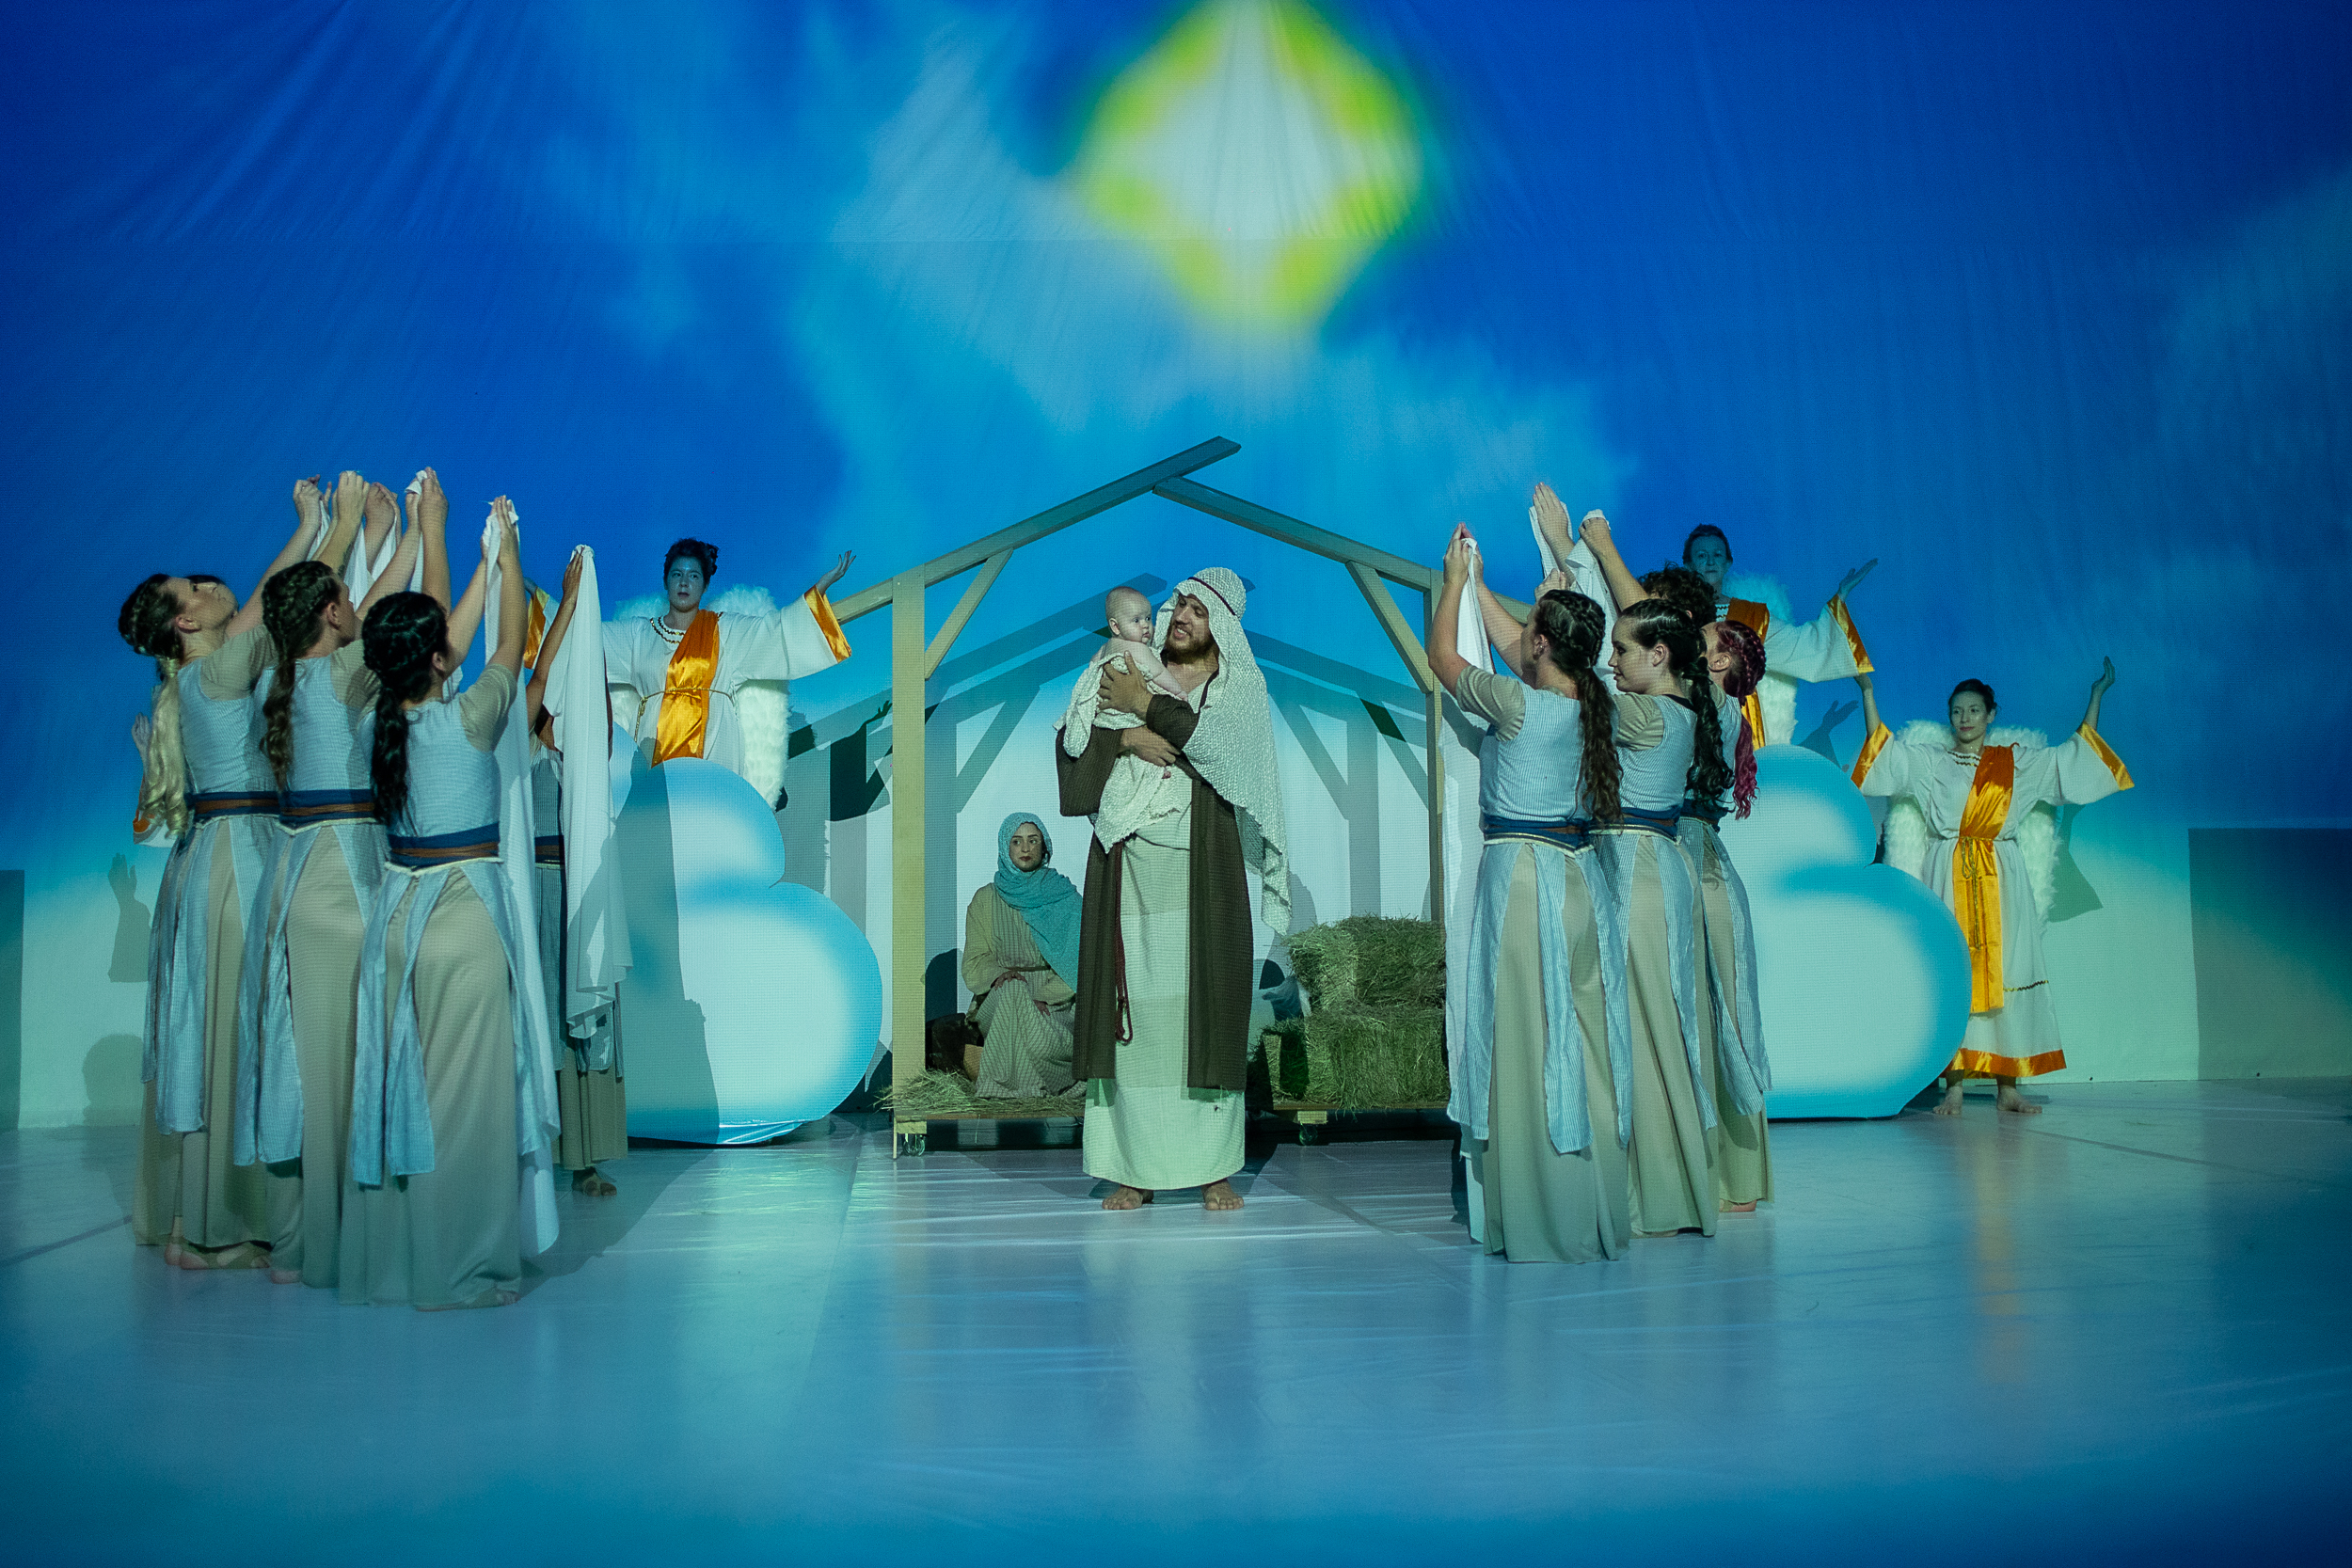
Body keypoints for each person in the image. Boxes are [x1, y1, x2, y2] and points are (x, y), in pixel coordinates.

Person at [114, 474, 361, 1268]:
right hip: (237, 859)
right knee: (242, 1030)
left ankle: (203, 1215)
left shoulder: (204, 671)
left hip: (214, 858)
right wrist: (337, 527)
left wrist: (312, 525)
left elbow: (259, 602)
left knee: (222, 1029)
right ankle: (222, 1223)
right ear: (185, 621)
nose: (209, 583)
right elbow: (281, 604)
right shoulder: (216, 672)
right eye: (193, 587)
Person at [238, 470, 446, 1288]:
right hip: (348, 880)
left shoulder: (273, 676)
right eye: (344, 597)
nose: (357, 600)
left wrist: (364, 531)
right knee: (360, 1058)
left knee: (306, 1062)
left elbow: (333, 606)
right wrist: (422, 531)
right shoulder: (347, 673)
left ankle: (301, 1231)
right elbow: (414, 619)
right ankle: (357, 1233)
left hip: (294, 882)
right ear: (330, 612)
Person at [341, 500, 544, 1309]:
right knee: (468, 1105)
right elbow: (510, 641)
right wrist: (509, 556)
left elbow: (446, 642)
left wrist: (461, 546)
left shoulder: (370, 721)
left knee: (410, 1095)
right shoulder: (471, 718)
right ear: (434, 659)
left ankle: (405, 1255)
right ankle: (464, 1267)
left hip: (398, 921)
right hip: (463, 924)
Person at [1561, 510, 1775, 1212]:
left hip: (1693, 870)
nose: (1696, 645)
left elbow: (1642, 630)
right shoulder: (1685, 698)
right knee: (1682, 1018)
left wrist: (1600, 547)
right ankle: (1696, 1173)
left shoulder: (1705, 701)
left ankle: (1712, 1175)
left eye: (1705, 642)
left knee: (1703, 1020)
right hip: (1678, 860)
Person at [1057, 569, 1287, 1212]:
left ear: (1224, 629)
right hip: (1130, 871)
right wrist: (1126, 735)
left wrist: (1145, 706)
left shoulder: (1236, 692)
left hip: (1201, 873)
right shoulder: (1130, 665)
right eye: (1179, 604)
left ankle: (1213, 1167)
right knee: (1137, 1021)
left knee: (1202, 1015)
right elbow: (1075, 734)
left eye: (1198, 610)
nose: (1180, 615)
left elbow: (1216, 749)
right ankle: (1133, 1168)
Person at [1430, 527, 1631, 1263]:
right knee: (1575, 1037)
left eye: (1532, 627)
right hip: (1580, 879)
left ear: (1541, 645)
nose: (1522, 634)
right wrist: (1484, 582)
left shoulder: (1518, 706)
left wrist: (1455, 581)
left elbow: (1444, 659)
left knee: (1522, 1036)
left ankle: (1538, 1206)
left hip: (1522, 879)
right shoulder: (1599, 707)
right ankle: (1585, 1199)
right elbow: (1516, 644)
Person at [1851, 661, 2130, 1115]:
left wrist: (2096, 695)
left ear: (1991, 715)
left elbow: (2073, 758)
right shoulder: (1932, 761)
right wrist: (1867, 691)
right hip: (1950, 871)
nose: (1965, 718)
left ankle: (2008, 1087)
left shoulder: (2016, 762)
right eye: (1957, 711)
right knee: (1956, 971)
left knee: (2007, 969)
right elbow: (1886, 757)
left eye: (1974, 710)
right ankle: (1954, 1086)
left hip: (2002, 876)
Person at [1595, 598, 1724, 1237]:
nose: (1612, 661)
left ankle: (1660, 1191)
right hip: (1646, 867)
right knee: (1650, 1027)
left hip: (1640, 871)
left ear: (1660, 654)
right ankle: (1664, 1184)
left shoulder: (1648, 714)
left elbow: (1565, 698)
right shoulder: (1677, 708)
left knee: (1643, 1030)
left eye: (1622, 650)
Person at [525, 551, 626, 1195]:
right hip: (539, 892)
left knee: (586, 1017)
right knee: (547, 1017)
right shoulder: (522, 742)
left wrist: (586, 625)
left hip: (579, 892)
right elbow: (536, 682)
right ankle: (541, 1151)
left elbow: (596, 713)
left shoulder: (580, 759)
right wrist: (565, 607)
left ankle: (585, 1155)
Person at [602, 537, 854, 789]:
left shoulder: (725, 630)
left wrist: (818, 591)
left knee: (711, 809)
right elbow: (590, 640)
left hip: (715, 753)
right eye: (677, 574)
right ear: (666, 581)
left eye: (694, 576)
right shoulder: (638, 635)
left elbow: (776, 633)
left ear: (705, 585)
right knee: (654, 808)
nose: (684, 582)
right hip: (653, 757)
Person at [1059, 585, 1193, 852]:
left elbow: (1090, 674)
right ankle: (1153, 783)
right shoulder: (1138, 651)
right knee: (1150, 747)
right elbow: (1159, 676)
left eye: (1148, 618)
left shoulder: (1102, 650)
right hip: (1124, 718)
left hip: (1108, 718)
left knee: (1121, 770)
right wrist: (1179, 694)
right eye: (1136, 620)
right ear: (1115, 626)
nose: (1145, 626)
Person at [958, 814, 1081, 1098]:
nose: (1025, 848)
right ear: (1005, 847)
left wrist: (1045, 997)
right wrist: (999, 975)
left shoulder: (1065, 898)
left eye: (1033, 840)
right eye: (1016, 841)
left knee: (1032, 1022)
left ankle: (1012, 1089)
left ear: (1044, 846)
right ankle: (1022, 1090)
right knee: (1013, 991)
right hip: (1000, 994)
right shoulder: (985, 899)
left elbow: (1078, 962)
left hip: (1056, 1000)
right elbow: (975, 961)